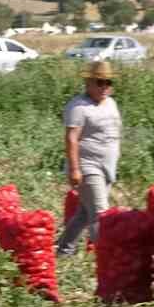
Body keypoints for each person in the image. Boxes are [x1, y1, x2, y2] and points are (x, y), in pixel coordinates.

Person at [56, 60, 122, 256]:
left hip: (107, 166)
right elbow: (71, 138)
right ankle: (107, 257)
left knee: (84, 213)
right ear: (88, 83)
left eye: (108, 82)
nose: (104, 87)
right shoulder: (78, 107)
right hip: (88, 166)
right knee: (99, 213)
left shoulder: (111, 103)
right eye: (99, 82)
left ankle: (64, 250)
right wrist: (75, 169)